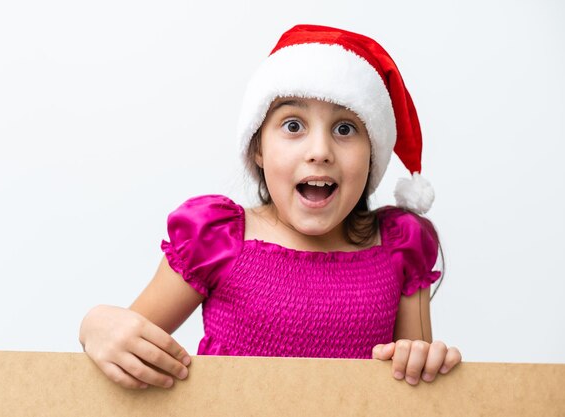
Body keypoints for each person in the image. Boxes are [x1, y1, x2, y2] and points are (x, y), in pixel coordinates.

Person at [79, 24, 462, 390]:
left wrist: (423, 360)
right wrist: (96, 326)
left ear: (373, 155)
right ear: (259, 147)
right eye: (294, 126)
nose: (319, 152)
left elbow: (416, 382)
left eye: (345, 129)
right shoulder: (217, 238)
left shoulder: (400, 247)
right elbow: (128, 344)